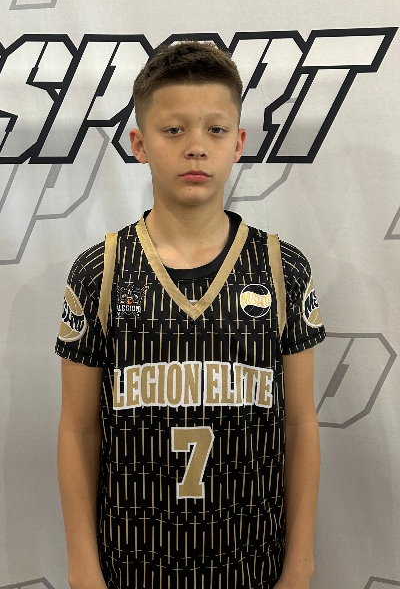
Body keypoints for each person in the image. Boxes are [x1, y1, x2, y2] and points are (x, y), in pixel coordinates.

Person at [56, 40, 326, 589]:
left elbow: (300, 425)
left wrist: (299, 565)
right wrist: (83, 569)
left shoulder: (282, 269)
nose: (196, 147)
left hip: (251, 567)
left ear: (239, 143)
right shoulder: (99, 272)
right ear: (140, 143)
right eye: (174, 130)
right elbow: (78, 429)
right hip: (131, 567)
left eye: (216, 130)